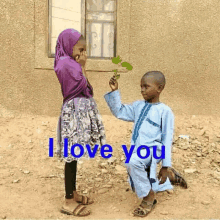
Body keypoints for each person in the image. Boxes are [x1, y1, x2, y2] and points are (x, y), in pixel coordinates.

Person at [104, 71, 187, 217]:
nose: (142, 90)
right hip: (139, 149)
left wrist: (165, 165)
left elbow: (167, 138)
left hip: (155, 149)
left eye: (146, 86)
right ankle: (171, 177)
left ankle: (149, 197)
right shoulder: (138, 106)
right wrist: (115, 91)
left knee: (132, 162)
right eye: (141, 86)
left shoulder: (165, 111)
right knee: (135, 163)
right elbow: (120, 112)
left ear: (159, 88)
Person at [54, 29, 106, 216]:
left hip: (78, 112)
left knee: (74, 154)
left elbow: (88, 88)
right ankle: (68, 201)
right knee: (71, 155)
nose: (83, 53)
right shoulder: (65, 64)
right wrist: (83, 66)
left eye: (85, 50)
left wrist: (81, 66)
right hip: (73, 113)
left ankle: (73, 192)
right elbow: (82, 86)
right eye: (81, 49)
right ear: (69, 45)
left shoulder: (70, 62)